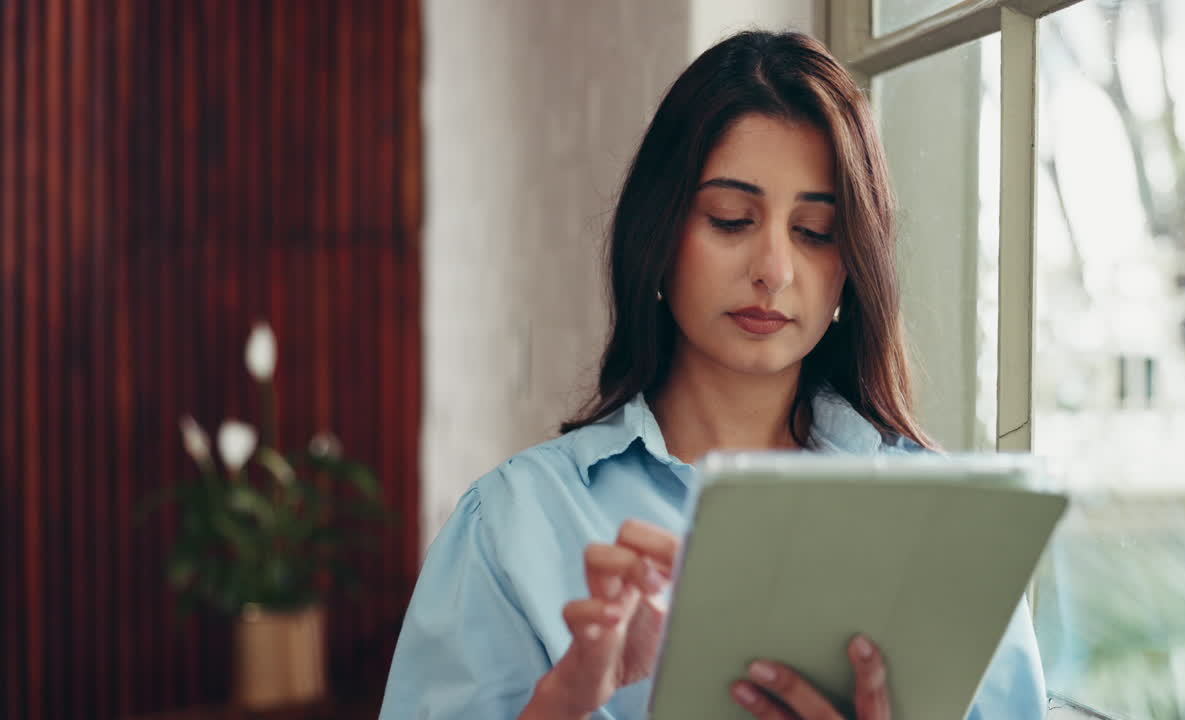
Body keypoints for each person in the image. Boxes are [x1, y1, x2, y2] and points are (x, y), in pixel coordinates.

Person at [380, 30, 1046, 720]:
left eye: (815, 231)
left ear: (851, 267)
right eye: (731, 220)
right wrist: (559, 704)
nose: (774, 271)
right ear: (659, 234)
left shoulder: (951, 535)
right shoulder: (512, 524)